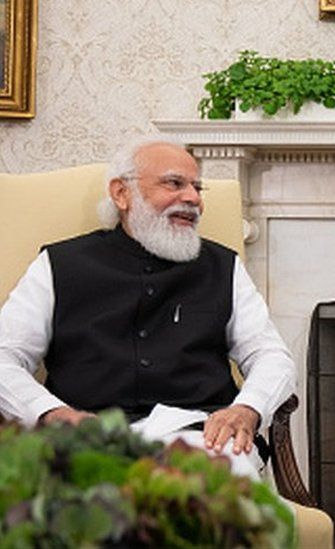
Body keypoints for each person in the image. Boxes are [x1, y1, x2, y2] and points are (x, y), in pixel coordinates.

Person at [0, 136, 296, 478]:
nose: (193, 198)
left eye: (197, 187)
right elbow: (5, 355)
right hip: (89, 441)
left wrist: (248, 408)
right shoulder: (58, 264)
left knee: (212, 502)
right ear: (121, 194)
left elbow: (271, 355)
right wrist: (52, 414)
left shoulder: (222, 267)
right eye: (174, 183)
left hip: (202, 440)